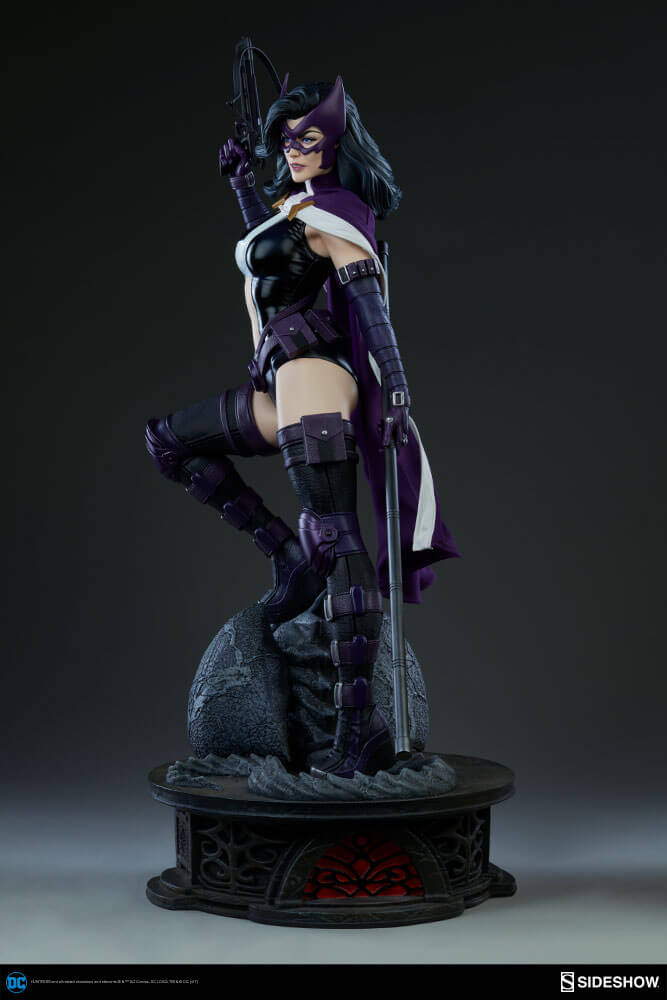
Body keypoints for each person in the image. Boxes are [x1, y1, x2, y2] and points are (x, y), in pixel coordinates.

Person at [145, 77, 460, 779]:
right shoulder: (299, 207)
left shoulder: (338, 215)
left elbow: (369, 305)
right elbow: (273, 258)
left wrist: (396, 382)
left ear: (335, 143)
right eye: (285, 141)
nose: (292, 150)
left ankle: (358, 729)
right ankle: (286, 557)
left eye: (307, 139)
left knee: (336, 532)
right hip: (278, 376)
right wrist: (240, 185)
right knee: (170, 441)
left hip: (312, 372)